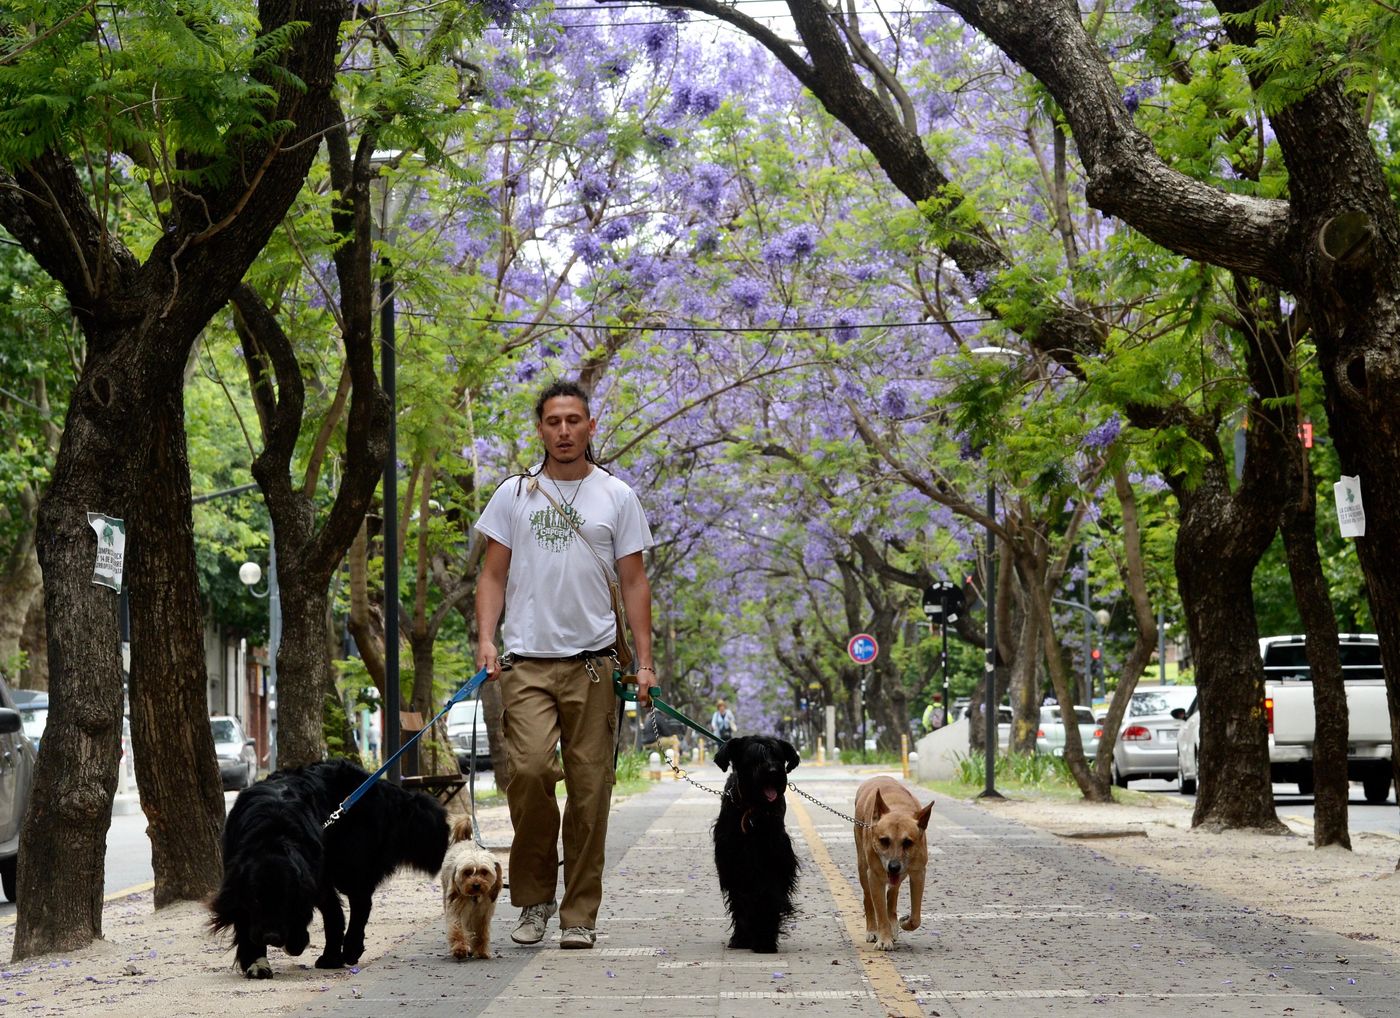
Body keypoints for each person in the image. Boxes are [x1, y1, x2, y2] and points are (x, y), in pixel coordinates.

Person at [474, 380, 657, 951]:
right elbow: (493, 575)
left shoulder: (616, 496)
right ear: (540, 429)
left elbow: (634, 582)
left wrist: (645, 662)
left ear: (590, 426)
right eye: (553, 421)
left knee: (590, 791)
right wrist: (486, 639)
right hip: (527, 662)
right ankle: (534, 900)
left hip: (594, 665)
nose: (563, 431)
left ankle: (579, 914)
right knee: (529, 774)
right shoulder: (515, 494)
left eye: (573, 420)